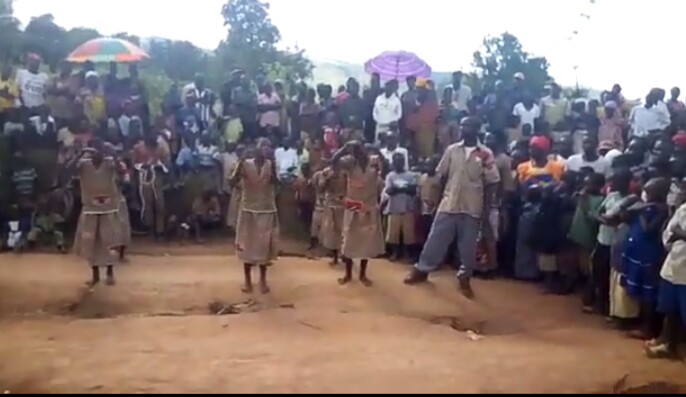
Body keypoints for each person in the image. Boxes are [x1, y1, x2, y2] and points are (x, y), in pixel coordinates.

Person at [405, 117, 500, 298]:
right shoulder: (452, 150)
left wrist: (485, 210)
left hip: (472, 206)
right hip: (449, 203)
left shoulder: (485, 154)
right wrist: (434, 200)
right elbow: (441, 177)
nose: (463, 129)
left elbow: (492, 182)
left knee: (468, 247)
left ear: (477, 129)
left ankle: (465, 278)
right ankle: (422, 270)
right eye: (462, 126)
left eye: (468, 126)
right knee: (435, 239)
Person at [621, 177, 670, 341]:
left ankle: (649, 329)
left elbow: (649, 230)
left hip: (650, 256)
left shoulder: (662, 210)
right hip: (638, 254)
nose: (646, 194)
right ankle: (643, 324)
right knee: (641, 293)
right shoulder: (648, 207)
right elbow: (624, 216)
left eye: (649, 191)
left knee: (649, 295)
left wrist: (641, 212)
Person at [69, 139, 122, 286]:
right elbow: (68, 169)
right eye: (94, 149)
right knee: (90, 242)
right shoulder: (83, 163)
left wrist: (115, 154)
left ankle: (110, 273)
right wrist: (79, 154)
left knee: (109, 240)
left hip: (108, 208)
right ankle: (95, 274)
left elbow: (122, 171)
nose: (97, 152)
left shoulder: (110, 162)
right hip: (91, 208)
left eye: (99, 149)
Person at [332, 140, 384, 286]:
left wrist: (379, 152)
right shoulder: (349, 162)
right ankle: (348, 274)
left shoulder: (374, 161)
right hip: (353, 206)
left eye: (358, 149)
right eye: (354, 150)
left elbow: (387, 168)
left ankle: (362, 275)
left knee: (366, 243)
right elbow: (333, 161)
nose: (356, 152)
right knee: (348, 241)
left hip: (368, 206)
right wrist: (343, 148)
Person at [230, 139, 279, 294]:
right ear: (256, 150)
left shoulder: (271, 165)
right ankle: (248, 281)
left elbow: (277, 183)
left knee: (264, 247)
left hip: (266, 210)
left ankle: (263, 280)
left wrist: (274, 168)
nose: (264, 150)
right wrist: (239, 164)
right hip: (249, 209)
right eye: (262, 147)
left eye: (267, 148)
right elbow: (232, 182)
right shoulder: (245, 164)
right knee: (247, 246)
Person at [647, 200, 686, 358]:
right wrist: (675, 237)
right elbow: (669, 234)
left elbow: (676, 233)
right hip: (673, 266)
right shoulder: (683, 208)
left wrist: (681, 235)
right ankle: (668, 345)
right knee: (670, 311)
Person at [383, 152, 418, 261]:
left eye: (401, 161)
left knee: (409, 235)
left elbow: (413, 191)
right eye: (397, 161)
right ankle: (395, 253)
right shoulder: (390, 175)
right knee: (393, 234)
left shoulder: (411, 175)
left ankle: (409, 254)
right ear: (393, 162)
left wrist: (398, 189)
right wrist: (404, 189)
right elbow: (389, 191)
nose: (399, 163)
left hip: (408, 208)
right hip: (394, 208)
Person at [319, 161, 346, 266]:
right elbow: (321, 187)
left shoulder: (346, 172)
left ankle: (344, 254)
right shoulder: (326, 172)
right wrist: (328, 178)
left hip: (343, 203)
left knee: (345, 231)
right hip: (330, 203)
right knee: (332, 231)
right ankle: (335, 257)